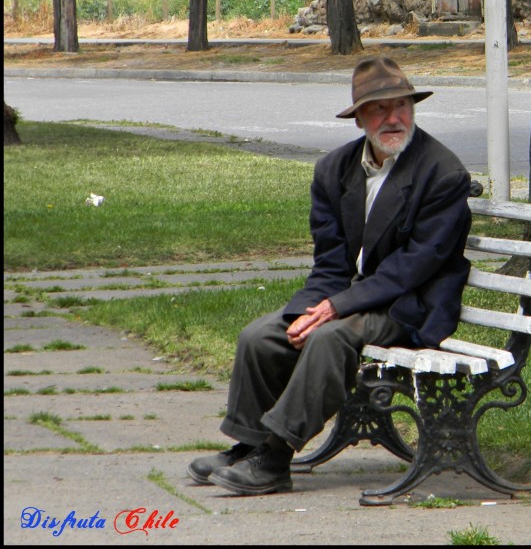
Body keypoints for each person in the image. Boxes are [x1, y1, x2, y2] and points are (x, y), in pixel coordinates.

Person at [187, 56, 472, 495]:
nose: (394, 118)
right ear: (359, 118)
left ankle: (276, 458)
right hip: (350, 298)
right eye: (379, 109)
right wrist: (308, 309)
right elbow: (331, 262)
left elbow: (414, 267)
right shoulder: (333, 171)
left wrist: (335, 309)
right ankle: (250, 445)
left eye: (402, 106)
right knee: (262, 336)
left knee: (329, 337)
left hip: (410, 306)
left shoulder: (442, 173)